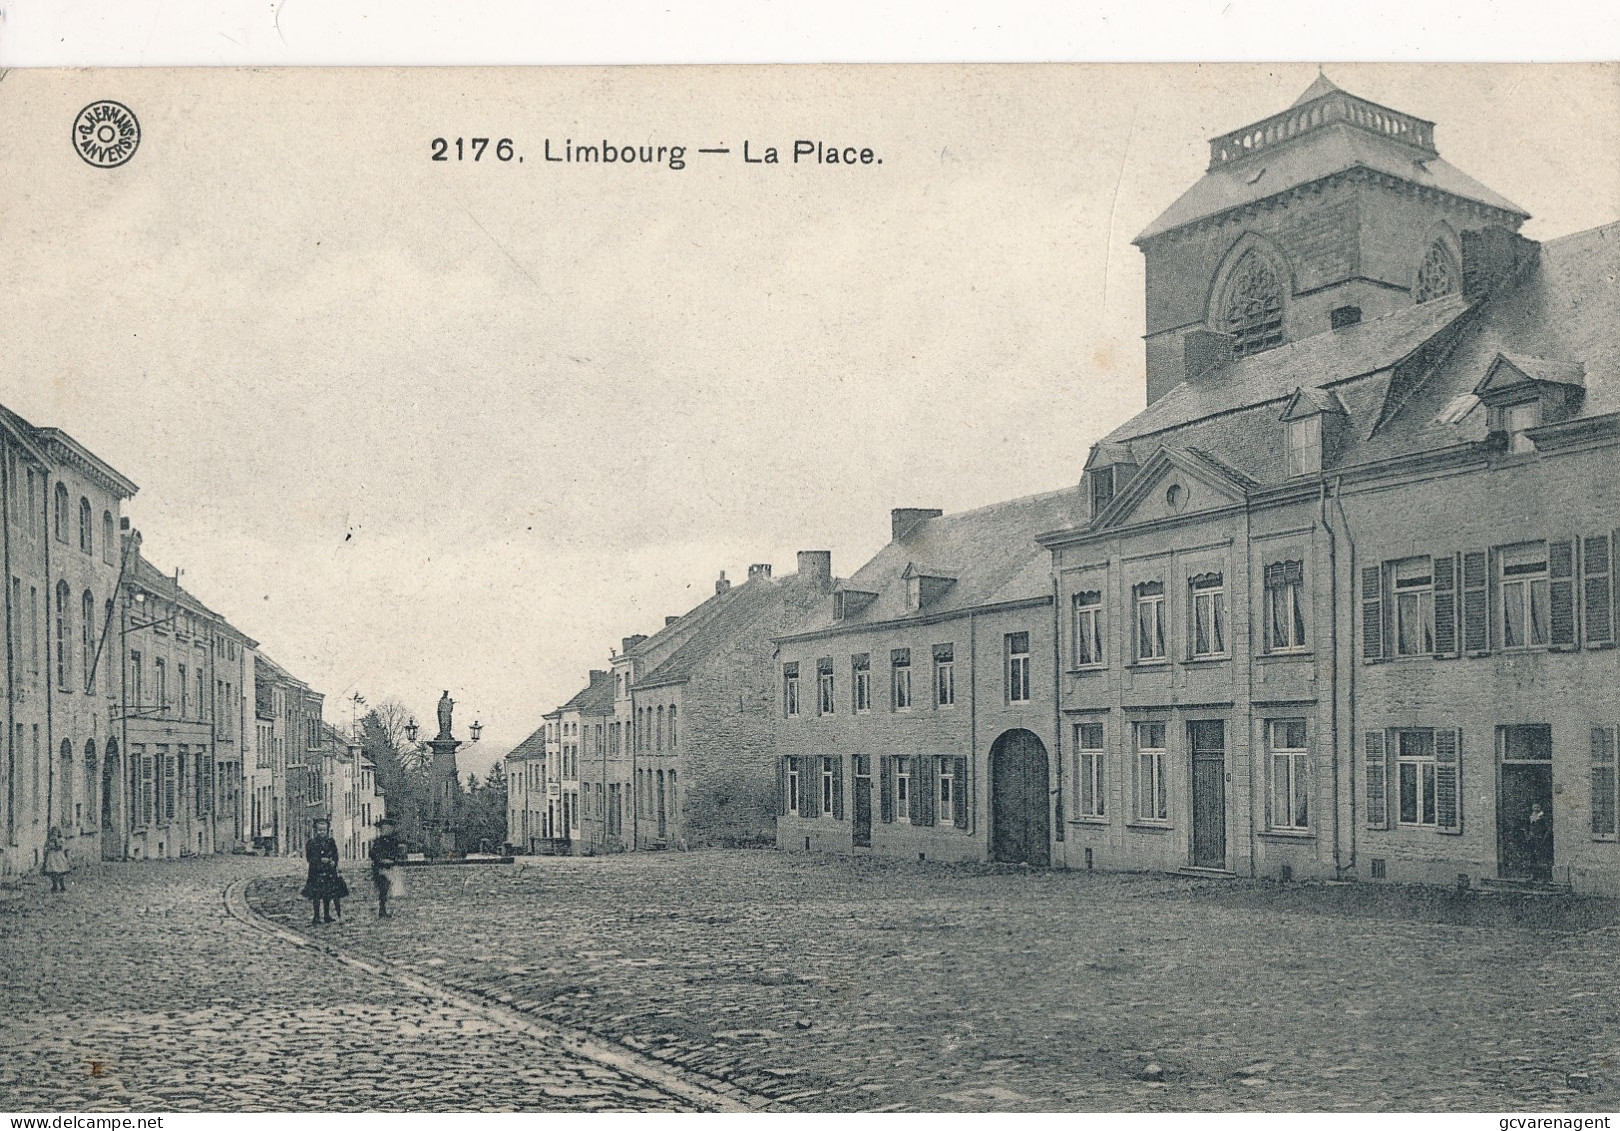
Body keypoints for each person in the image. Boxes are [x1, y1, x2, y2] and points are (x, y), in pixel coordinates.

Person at [301, 818, 349, 925]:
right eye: (319, 830)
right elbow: (309, 858)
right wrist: (319, 860)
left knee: (327, 894)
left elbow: (335, 855)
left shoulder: (331, 842)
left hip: (329, 872)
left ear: (327, 830)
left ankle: (327, 915)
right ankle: (316, 916)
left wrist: (333, 861)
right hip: (316, 872)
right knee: (316, 895)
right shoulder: (311, 843)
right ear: (316, 831)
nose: (322, 832)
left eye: (324, 830)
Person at [369, 816, 405, 918]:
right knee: (383, 890)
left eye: (388, 828)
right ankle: (382, 909)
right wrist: (381, 860)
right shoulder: (377, 842)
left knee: (392, 890)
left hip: (391, 868)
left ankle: (388, 909)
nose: (386, 830)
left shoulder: (394, 842)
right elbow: (373, 853)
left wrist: (393, 858)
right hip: (380, 869)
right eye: (384, 829)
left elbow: (397, 853)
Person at [43, 828, 70, 894]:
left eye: (56, 833)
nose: (54, 834)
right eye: (53, 833)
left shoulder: (60, 840)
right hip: (51, 857)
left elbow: (60, 847)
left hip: (58, 857)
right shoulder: (48, 840)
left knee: (60, 873)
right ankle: (54, 886)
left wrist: (55, 842)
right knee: (53, 873)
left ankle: (62, 886)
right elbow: (46, 847)